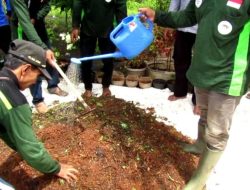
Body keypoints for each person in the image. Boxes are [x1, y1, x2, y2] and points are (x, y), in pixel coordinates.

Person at [139, 1, 250, 190]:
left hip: (229, 76)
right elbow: (187, 16)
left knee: (216, 133)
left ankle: (199, 180)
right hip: (202, 69)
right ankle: (200, 145)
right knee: (205, 113)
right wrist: (157, 16)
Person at [0, 39, 78, 184]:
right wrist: (56, 168)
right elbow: (31, 149)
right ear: (25, 70)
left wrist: (17, 146)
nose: (36, 81)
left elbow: (4, 128)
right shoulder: (13, 101)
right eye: (38, 76)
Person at [10, 0, 68, 113]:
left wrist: (36, 17)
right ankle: (38, 100)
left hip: (38, 27)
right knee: (33, 63)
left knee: (50, 58)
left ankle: (53, 86)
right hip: (22, 29)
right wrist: (42, 48)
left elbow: (47, 6)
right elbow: (25, 22)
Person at [71, 0, 127, 97]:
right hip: (87, 28)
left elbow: (121, 6)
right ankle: (88, 88)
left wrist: (122, 28)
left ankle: (106, 86)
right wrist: (75, 26)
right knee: (86, 59)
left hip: (107, 29)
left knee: (108, 60)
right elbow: (78, 3)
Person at [167, 0, 200, 115]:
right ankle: (180, 92)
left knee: (200, 64)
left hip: (203, 29)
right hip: (183, 27)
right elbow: (175, 3)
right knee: (180, 59)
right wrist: (170, 22)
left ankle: (199, 101)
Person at [0, 0, 12, 69]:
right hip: (3, 24)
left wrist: (9, 12)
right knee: (8, 50)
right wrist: (9, 12)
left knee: (8, 49)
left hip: (3, 24)